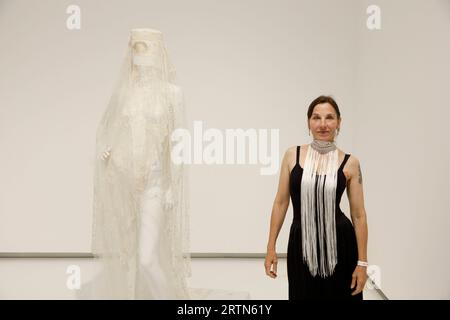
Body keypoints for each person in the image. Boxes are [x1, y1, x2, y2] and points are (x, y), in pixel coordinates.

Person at [264, 95, 368, 300]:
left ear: (339, 122)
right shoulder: (291, 155)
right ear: (308, 122)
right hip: (301, 245)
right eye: (316, 117)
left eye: (329, 118)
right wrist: (270, 247)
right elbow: (281, 202)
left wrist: (362, 263)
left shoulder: (350, 163)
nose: (322, 124)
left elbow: (359, 215)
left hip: (340, 246)